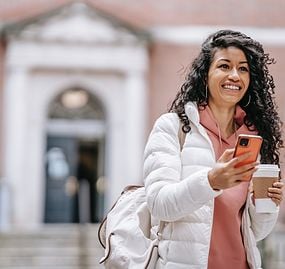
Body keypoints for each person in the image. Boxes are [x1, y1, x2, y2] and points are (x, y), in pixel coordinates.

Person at [143, 29, 284, 269]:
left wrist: (267, 205)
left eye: (243, 69)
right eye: (224, 66)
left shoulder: (253, 137)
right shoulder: (173, 128)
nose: (234, 76)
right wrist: (211, 181)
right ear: (205, 74)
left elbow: (256, 232)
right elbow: (159, 204)